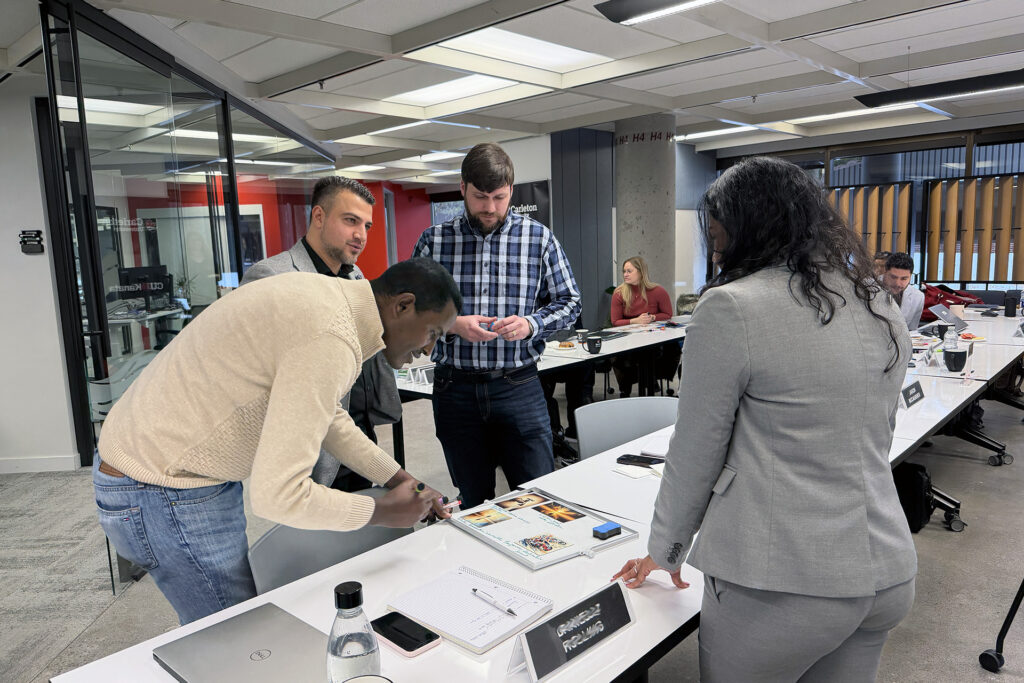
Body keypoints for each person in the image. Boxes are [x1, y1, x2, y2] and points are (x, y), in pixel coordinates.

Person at [612, 157, 916, 682]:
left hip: (784, 583)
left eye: (718, 233)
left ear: (746, 228)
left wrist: (665, 549)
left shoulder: (733, 307)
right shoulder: (876, 300)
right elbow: (876, 431)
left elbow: (696, 451)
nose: (717, 247)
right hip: (885, 569)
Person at [94, 259, 461, 625]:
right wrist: (382, 512)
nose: (429, 350)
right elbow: (278, 496)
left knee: (232, 633)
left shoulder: (333, 303)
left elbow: (327, 417)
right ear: (402, 305)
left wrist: (400, 480)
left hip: (156, 469)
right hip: (160, 484)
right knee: (235, 639)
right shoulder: (332, 335)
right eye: (432, 333)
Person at [412, 143, 581, 508]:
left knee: (539, 498)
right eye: (480, 197)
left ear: (511, 193)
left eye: (499, 198)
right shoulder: (434, 241)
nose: (489, 207)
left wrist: (531, 324)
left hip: (517, 385)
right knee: (473, 502)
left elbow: (570, 302)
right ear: (462, 189)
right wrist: (452, 323)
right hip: (454, 389)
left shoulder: (539, 239)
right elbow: (410, 311)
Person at [241, 176, 401, 491]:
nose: (361, 235)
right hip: (314, 453)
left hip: (359, 438)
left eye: (366, 226)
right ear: (318, 217)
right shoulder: (271, 276)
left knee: (364, 534)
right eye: (351, 221)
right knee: (319, 538)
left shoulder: (354, 276)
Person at [609, 256, 680, 397]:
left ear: (641, 272)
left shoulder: (658, 291)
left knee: (671, 348)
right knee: (622, 355)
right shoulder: (619, 293)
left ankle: (652, 380)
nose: (625, 274)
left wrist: (653, 317)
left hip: (653, 335)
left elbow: (667, 313)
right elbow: (615, 321)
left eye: (629, 271)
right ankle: (627, 388)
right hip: (628, 338)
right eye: (624, 271)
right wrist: (635, 321)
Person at [882, 252, 924, 330]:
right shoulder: (867, 289)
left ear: (911, 276)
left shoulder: (918, 297)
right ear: (885, 272)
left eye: (904, 279)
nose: (898, 283)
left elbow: (911, 332)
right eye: (893, 277)